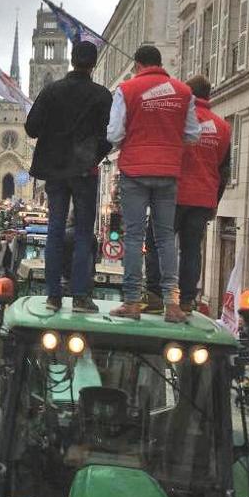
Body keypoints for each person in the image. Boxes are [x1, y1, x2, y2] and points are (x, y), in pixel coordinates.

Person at [107, 45, 201, 323]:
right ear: (160, 64)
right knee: (164, 239)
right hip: (168, 172)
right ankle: (172, 305)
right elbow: (193, 134)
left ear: (138, 65)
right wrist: (170, 144)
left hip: (135, 170)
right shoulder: (184, 92)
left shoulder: (127, 89)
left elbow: (114, 133)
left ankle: (132, 302)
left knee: (135, 237)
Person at [25, 40, 112, 313]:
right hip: (84, 169)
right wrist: (95, 153)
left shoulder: (51, 91)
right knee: (84, 233)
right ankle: (80, 297)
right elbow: (109, 135)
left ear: (71, 60)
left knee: (55, 230)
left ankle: (53, 296)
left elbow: (31, 128)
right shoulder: (102, 95)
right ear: (93, 64)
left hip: (55, 170)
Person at [142, 75, 232, 315]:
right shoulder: (223, 127)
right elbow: (224, 170)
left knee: (157, 242)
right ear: (208, 95)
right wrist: (215, 201)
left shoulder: (178, 122)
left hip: (172, 194)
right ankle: (187, 300)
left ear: (188, 95)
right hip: (203, 198)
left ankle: (154, 294)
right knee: (192, 250)